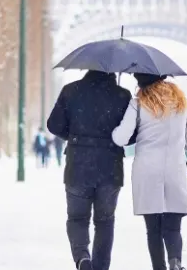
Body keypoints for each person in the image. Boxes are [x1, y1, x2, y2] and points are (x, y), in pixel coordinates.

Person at [47, 70, 136, 270]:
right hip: (110, 168)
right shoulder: (122, 95)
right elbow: (131, 135)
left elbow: (53, 125)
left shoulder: (70, 91)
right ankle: (101, 267)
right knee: (105, 222)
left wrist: (75, 137)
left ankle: (82, 258)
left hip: (78, 166)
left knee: (77, 218)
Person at [112, 73, 187, 270]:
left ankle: (159, 267)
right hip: (175, 168)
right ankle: (175, 261)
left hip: (147, 171)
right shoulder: (181, 102)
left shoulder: (138, 103)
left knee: (153, 229)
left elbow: (121, 138)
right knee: (173, 226)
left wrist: (116, 125)